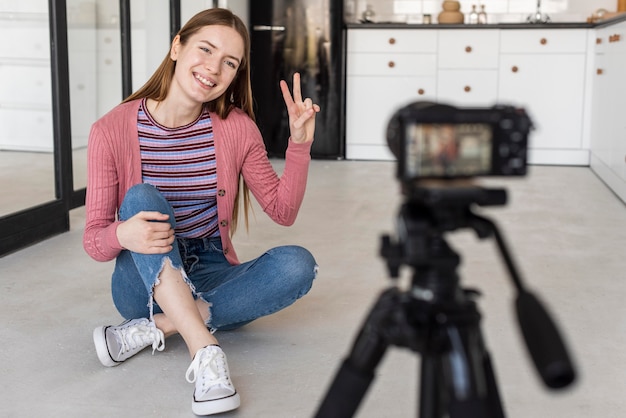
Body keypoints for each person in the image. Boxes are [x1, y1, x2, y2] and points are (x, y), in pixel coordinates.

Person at [83, 8, 320, 416]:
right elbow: (94, 240)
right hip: (141, 281)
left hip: (209, 266)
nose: (214, 68)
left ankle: (152, 329)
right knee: (141, 198)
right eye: (205, 50)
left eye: (229, 62)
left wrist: (299, 145)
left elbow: (282, 211)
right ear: (177, 46)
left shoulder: (237, 127)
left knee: (298, 265)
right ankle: (205, 350)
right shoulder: (111, 129)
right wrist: (123, 235)